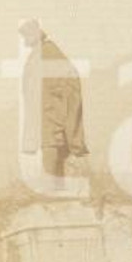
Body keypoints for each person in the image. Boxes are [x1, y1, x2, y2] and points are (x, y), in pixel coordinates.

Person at [19, 18, 89, 180]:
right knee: (50, 147)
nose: (25, 39)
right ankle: (54, 188)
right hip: (45, 110)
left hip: (51, 111)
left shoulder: (49, 52)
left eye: (27, 35)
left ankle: (51, 188)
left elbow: (68, 79)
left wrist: (54, 96)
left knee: (51, 147)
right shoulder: (40, 53)